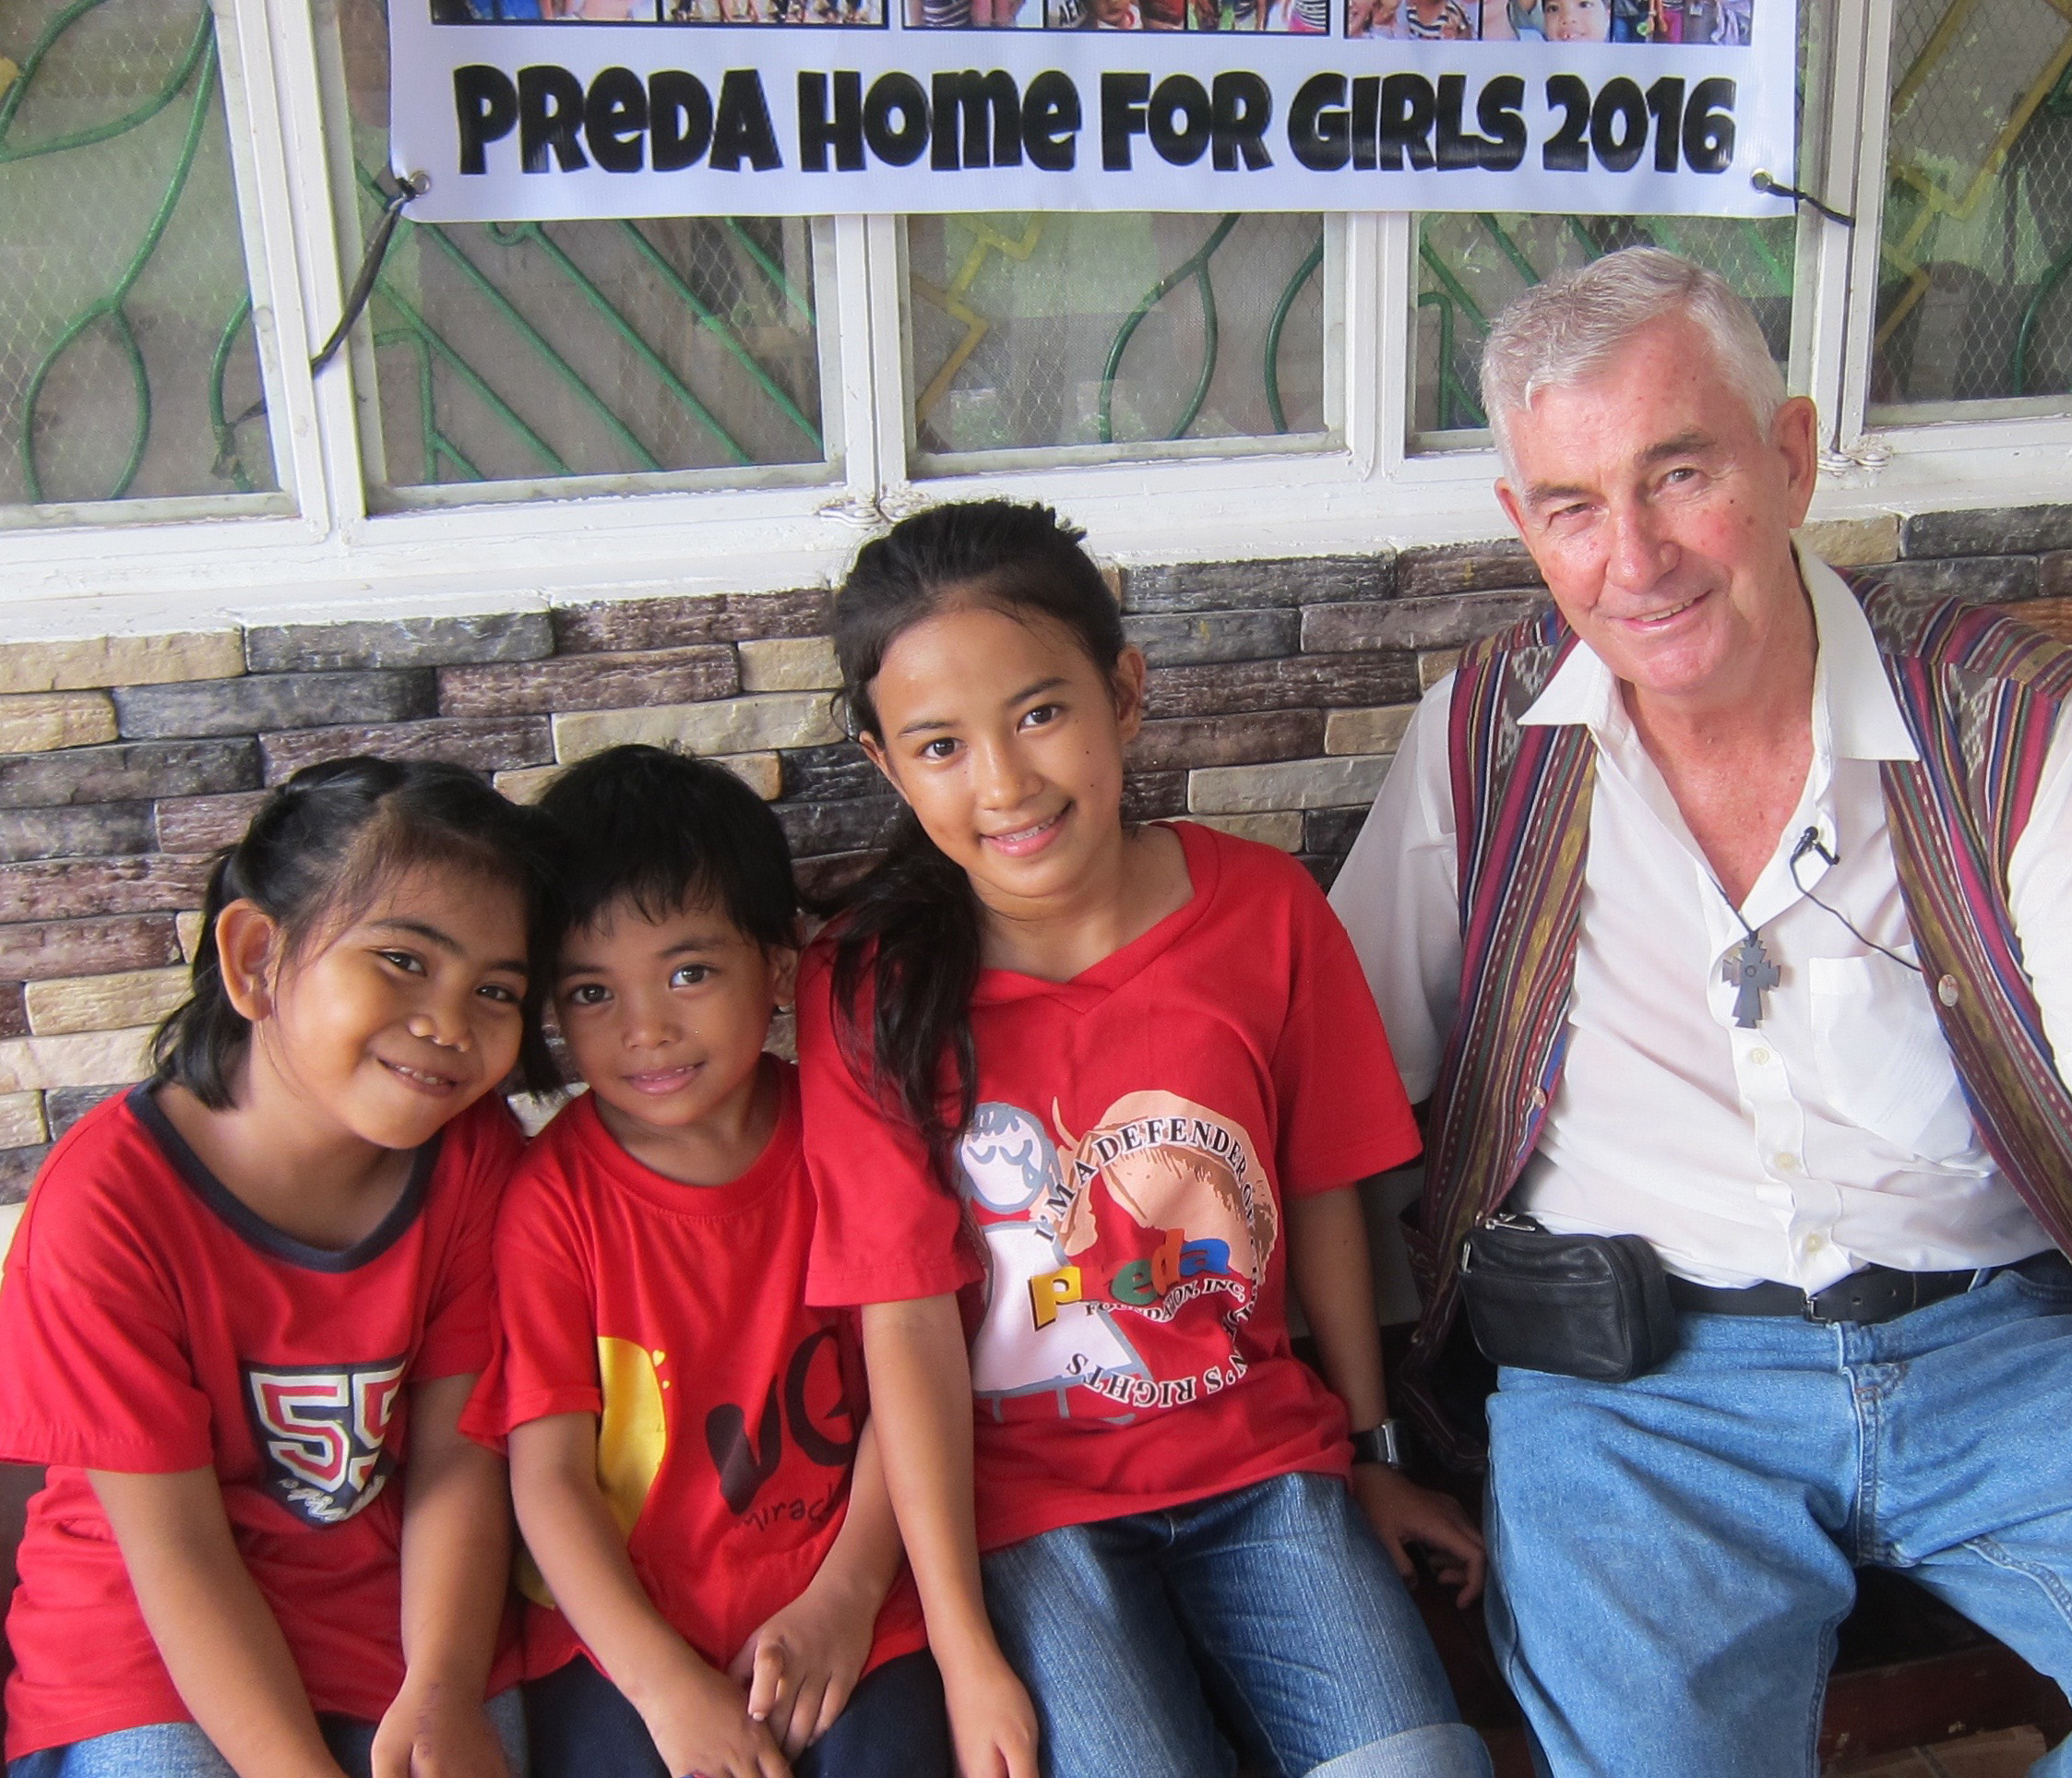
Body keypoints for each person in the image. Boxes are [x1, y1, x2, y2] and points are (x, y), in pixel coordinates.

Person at [1331, 245, 2072, 1778]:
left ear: (1784, 456)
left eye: (1678, 473)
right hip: (1631, 1391)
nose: (1631, 559)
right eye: (1571, 506)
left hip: (2003, 1350)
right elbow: (1334, 1099)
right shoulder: (1484, 740)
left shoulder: (2007, 723)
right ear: (1522, 525)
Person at [797, 499, 1494, 1778]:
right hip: (1024, 1514)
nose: (1002, 782)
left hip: (1261, 1467)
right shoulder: (869, 985)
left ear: (1123, 690)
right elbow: (900, 1323)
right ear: (886, 763)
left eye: (1039, 711)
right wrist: (963, 1651)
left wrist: (1367, 1451)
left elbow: (1324, 1193)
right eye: (940, 744)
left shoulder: (1264, 912)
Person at [0, 758, 549, 1778]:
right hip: (146, 1646)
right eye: (402, 961)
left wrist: (439, 1684)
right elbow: (174, 1550)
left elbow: (455, 1461)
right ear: (256, 958)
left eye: (498, 990)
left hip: (403, 1631)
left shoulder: (476, 1160)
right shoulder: (108, 1200)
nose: (448, 1021)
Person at [474, 746, 942, 1778]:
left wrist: (849, 1595)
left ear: (776, 967)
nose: (646, 1029)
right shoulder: (548, 1201)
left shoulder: (843, 1132)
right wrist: (662, 1683)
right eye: (591, 991)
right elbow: (547, 1478)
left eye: (688, 972)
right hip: (618, 1636)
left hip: (850, 1588)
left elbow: (906, 1394)